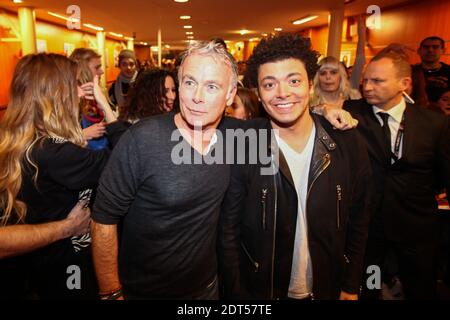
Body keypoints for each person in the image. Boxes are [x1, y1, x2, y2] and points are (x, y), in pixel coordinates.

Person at [218, 33, 372, 300]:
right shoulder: (244, 145)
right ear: (257, 92)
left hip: (328, 287)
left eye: (294, 81)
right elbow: (229, 233)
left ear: (310, 85)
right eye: (269, 84)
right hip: (263, 290)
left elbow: (359, 219)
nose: (283, 93)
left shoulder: (346, 141)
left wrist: (350, 285)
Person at [91, 40, 239, 300]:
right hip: (145, 291)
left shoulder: (237, 137)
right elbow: (103, 219)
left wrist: (326, 112)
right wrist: (111, 293)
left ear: (230, 94)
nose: (197, 97)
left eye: (212, 86)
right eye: (190, 82)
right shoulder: (142, 139)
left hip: (206, 288)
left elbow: (285, 119)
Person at [0, 53, 125, 299]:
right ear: (58, 94)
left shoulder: (22, 140)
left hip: (38, 270)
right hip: (68, 270)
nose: (80, 94)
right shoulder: (56, 152)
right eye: (74, 86)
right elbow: (126, 159)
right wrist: (105, 105)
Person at [342, 50, 450, 299]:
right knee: (368, 289)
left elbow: (442, 175)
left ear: (404, 84)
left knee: (420, 289)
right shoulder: (350, 113)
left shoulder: (434, 123)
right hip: (368, 229)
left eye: (377, 81)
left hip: (417, 228)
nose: (367, 86)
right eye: (365, 80)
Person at [70, 48, 117, 150]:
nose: (102, 71)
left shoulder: (98, 94)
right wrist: (81, 135)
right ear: (82, 70)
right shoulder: (68, 101)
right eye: (97, 67)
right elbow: (54, 140)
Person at [415, 36, 450, 103]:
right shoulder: (411, 71)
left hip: (441, 112)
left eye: (435, 47)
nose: (430, 50)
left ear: (443, 51)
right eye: (426, 47)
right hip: (413, 110)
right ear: (419, 51)